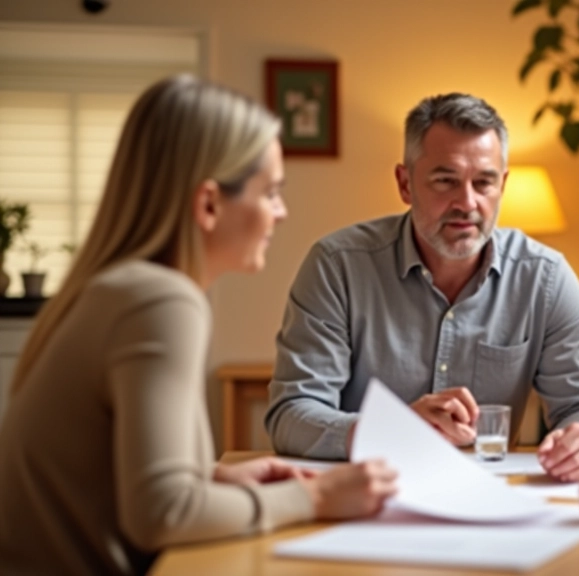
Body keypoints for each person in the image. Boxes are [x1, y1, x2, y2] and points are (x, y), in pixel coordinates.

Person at [0, 75, 397, 576]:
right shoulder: (160, 302)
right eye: (271, 192)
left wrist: (214, 479)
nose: (282, 212)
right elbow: (163, 514)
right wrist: (314, 496)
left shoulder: (115, 289)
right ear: (209, 204)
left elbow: (105, 478)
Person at [264, 93, 579, 481]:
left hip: (490, 496)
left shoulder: (545, 278)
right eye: (445, 181)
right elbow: (292, 414)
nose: (466, 203)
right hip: (362, 495)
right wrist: (392, 432)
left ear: (502, 185)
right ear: (405, 183)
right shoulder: (337, 267)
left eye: (483, 183)